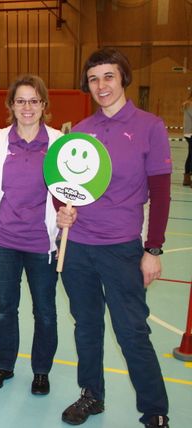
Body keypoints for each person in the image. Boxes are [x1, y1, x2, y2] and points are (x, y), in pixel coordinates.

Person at [57, 47, 171, 428]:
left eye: (108, 76)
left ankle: (154, 410)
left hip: (121, 249)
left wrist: (153, 249)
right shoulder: (81, 131)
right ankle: (92, 395)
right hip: (78, 248)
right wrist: (62, 210)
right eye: (93, 79)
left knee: (132, 331)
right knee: (86, 326)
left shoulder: (150, 126)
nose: (101, 85)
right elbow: (65, 187)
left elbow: (161, 193)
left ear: (123, 78)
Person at [0, 74, 61, 395]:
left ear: (43, 105)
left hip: (42, 244)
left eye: (34, 101)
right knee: (5, 309)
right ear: (11, 105)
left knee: (45, 312)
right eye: (21, 101)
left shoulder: (57, 142)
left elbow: (66, 190)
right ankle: (5, 365)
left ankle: (41, 371)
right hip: (4, 241)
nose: (27, 107)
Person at [183, 88, 192, 186]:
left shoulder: (188, 104)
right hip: (190, 133)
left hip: (188, 133)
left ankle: (187, 179)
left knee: (190, 155)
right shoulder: (189, 104)